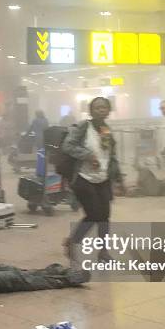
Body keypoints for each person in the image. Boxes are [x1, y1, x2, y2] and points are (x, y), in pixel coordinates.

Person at [62, 97, 123, 262]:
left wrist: (118, 178)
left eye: (104, 107)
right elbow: (68, 145)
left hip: (102, 179)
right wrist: (87, 155)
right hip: (83, 178)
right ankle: (72, 242)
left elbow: (111, 156)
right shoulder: (83, 127)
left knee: (104, 216)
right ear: (91, 111)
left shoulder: (106, 130)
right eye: (97, 107)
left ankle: (103, 252)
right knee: (94, 214)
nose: (101, 110)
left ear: (108, 111)